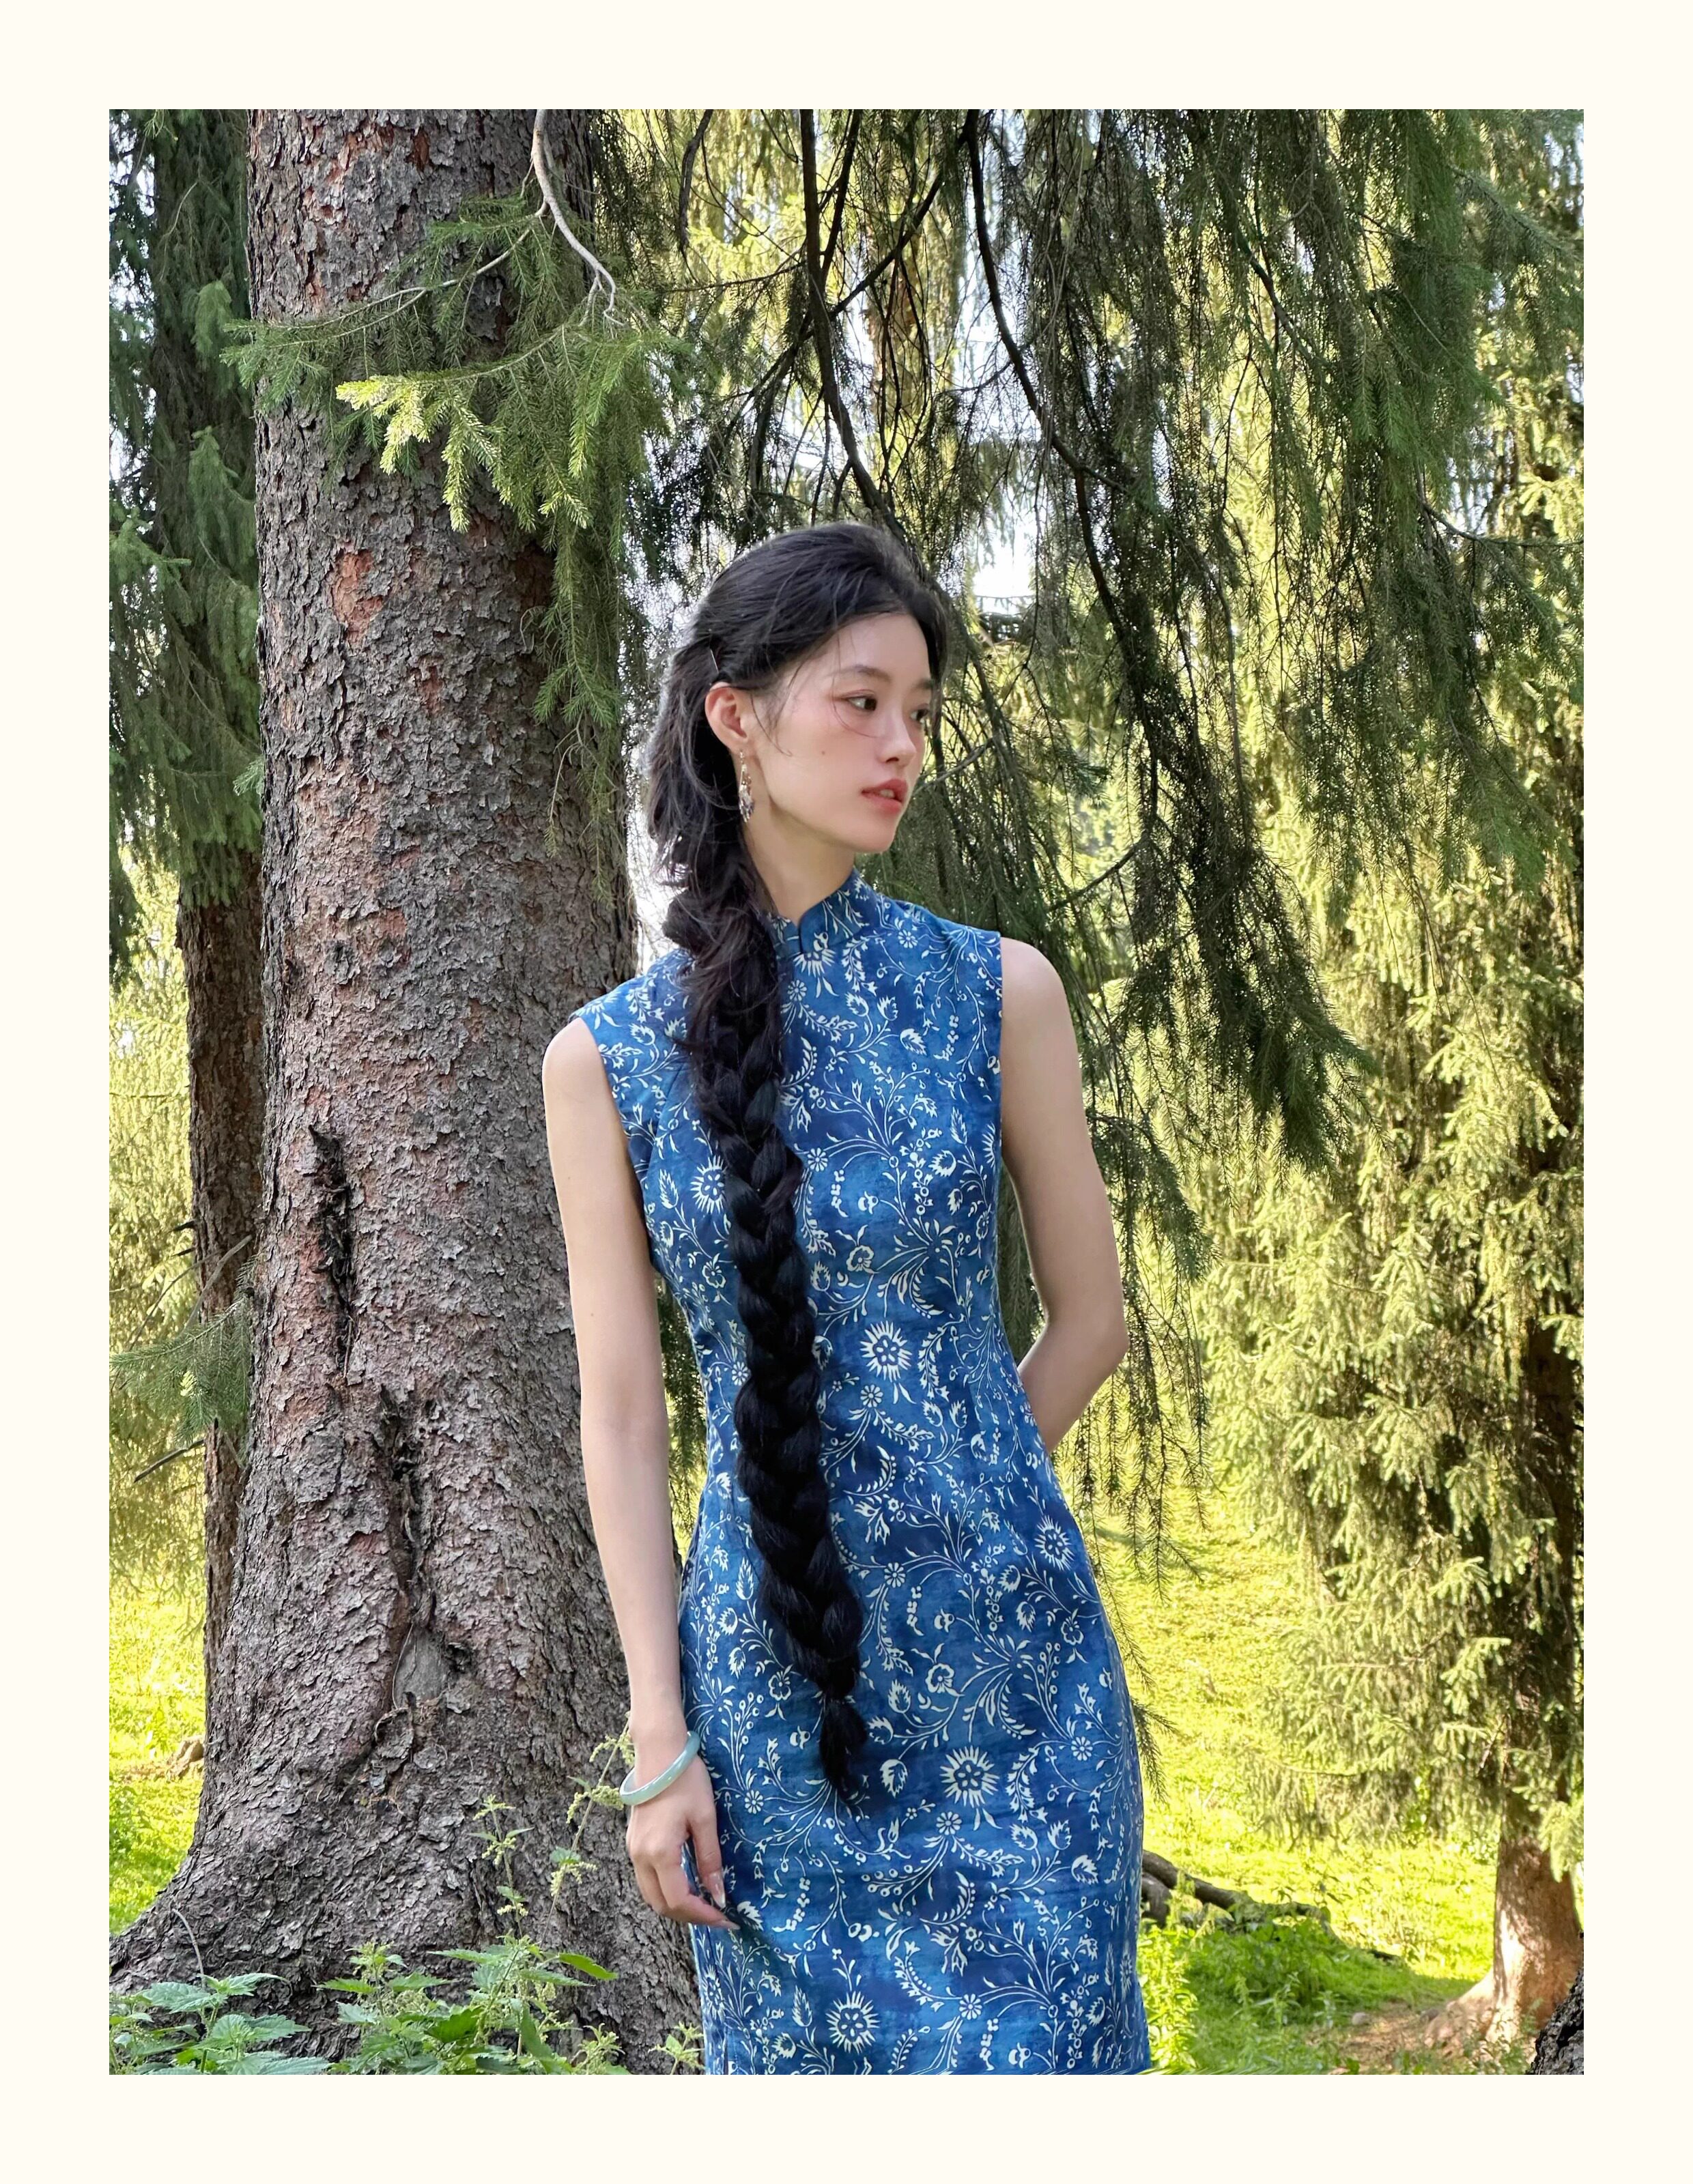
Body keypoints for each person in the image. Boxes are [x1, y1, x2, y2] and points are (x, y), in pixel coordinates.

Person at [541, 519, 1152, 2073]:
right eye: (861, 702)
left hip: (1019, 1692)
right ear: (736, 720)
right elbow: (621, 1416)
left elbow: (1091, 1320)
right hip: (770, 1711)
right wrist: (658, 1735)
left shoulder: (999, 993)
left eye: (920, 713)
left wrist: (956, 1490)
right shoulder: (606, 1062)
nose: (902, 748)